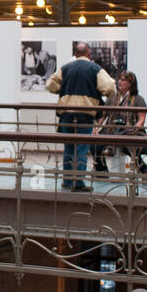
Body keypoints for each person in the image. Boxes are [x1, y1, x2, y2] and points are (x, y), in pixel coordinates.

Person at [46, 42, 116, 191]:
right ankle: (78, 183)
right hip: (85, 114)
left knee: (69, 147)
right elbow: (109, 87)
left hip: (66, 114)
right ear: (89, 54)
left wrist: (64, 87)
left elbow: (50, 85)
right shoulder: (95, 69)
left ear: (75, 54)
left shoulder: (65, 68)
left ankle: (67, 180)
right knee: (82, 148)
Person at [97, 70, 146, 174]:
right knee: (95, 146)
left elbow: (141, 119)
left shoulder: (138, 99)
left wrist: (134, 129)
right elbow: (103, 116)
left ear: (131, 83)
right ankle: (102, 171)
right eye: (119, 79)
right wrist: (96, 128)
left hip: (130, 130)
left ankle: (142, 168)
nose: (119, 82)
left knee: (129, 146)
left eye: (123, 80)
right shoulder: (112, 98)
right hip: (112, 129)